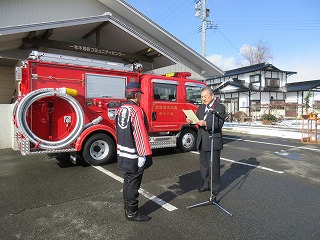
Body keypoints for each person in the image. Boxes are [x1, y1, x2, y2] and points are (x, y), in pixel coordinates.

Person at [115, 81, 153, 221]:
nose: (141, 97)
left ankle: (127, 209)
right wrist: (143, 154)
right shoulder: (136, 110)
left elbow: (117, 131)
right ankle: (132, 213)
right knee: (133, 184)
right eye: (140, 95)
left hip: (123, 152)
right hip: (134, 154)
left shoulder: (121, 109)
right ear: (136, 95)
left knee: (127, 181)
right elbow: (140, 133)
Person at [187, 87, 226, 196]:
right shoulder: (201, 107)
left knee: (214, 165)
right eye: (202, 97)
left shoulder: (219, 107)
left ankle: (215, 187)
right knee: (204, 165)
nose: (203, 99)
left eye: (205, 96)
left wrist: (206, 124)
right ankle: (205, 184)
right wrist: (191, 120)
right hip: (202, 140)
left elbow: (219, 123)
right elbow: (197, 119)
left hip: (213, 140)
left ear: (212, 96)